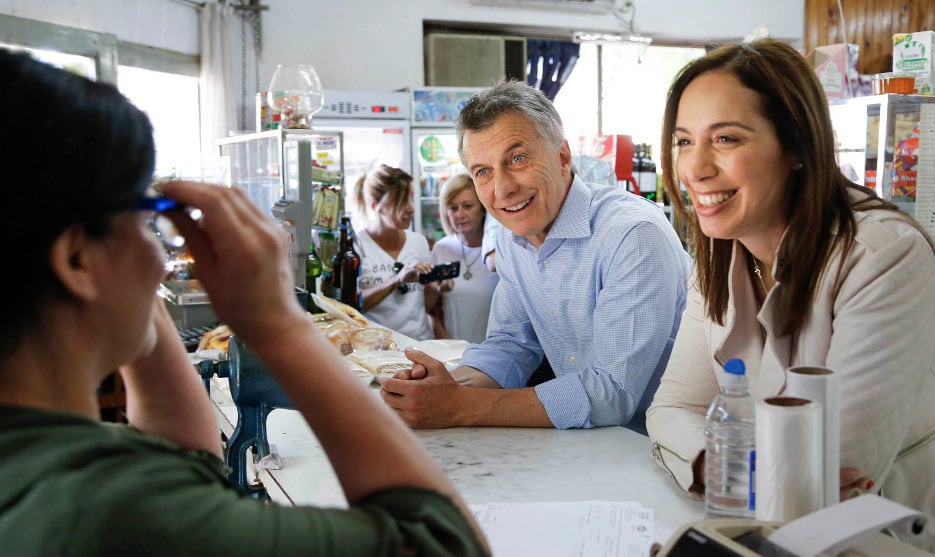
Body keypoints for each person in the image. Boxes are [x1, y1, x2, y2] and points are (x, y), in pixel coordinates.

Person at [0, 50, 487, 556]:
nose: (161, 261)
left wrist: (132, 276)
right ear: (75, 259)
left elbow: (181, 463)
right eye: (146, 226)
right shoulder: (117, 514)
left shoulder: (50, 475)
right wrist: (277, 323)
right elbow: (442, 542)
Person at [645, 39, 935, 550]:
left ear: (797, 146)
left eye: (726, 139)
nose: (695, 168)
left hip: (881, 540)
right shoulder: (719, 254)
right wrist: (732, 468)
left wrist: (733, 459)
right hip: (761, 532)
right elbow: (670, 409)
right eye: (684, 141)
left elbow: (835, 471)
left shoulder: (883, 256)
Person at [381, 80, 692, 434]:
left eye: (517, 159)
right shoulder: (513, 240)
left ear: (562, 157)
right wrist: (442, 388)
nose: (503, 189)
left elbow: (612, 393)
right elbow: (509, 346)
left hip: (667, 449)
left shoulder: (632, 235)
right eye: (483, 171)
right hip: (592, 446)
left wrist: (460, 406)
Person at [352, 164, 435, 340]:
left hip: (420, 344)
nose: (411, 208)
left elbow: (425, 306)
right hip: (377, 347)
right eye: (402, 201)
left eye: (411, 198)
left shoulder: (418, 242)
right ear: (377, 206)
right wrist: (397, 280)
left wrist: (436, 288)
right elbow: (352, 307)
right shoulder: (356, 245)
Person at [425, 174, 499, 343]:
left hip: (494, 350)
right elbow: (431, 309)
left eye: (467, 206)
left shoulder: (497, 253)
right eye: (453, 208)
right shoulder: (441, 248)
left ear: (483, 208)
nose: (460, 214)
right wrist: (447, 344)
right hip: (451, 350)